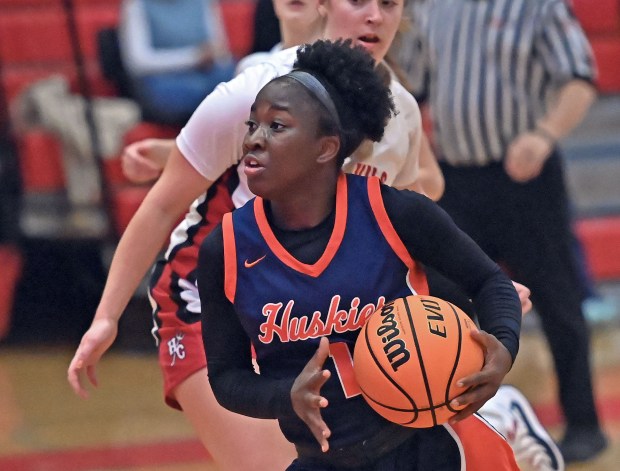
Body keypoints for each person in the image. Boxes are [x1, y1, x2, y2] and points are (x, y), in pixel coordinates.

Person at [68, 0, 433, 468]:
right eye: (358, 0)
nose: (375, 16)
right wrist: (107, 316)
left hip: (309, 314)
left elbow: (411, 220)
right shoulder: (253, 92)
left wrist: (472, 284)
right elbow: (162, 205)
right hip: (206, 305)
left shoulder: (399, 110)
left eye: (388, 4)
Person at [198, 38, 522, 470]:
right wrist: (284, 396)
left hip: (430, 449)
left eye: (276, 126)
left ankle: (510, 413)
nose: (254, 140)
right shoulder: (225, 249)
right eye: (252, 125)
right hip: (324, 460)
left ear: (326, 148)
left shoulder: (394, 212)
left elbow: (489, 282)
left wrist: (503, 345)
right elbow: (225, 377)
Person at [394, 0, 607, 463]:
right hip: (457, 181)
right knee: (449, 303)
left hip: (525, 178)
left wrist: (545, 134)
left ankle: (584, 422)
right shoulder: (434, 9)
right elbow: (413, 83)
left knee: (557, 300)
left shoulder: (536, 5)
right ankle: (462, 421)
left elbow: (579, 78)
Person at [118, 0, 236, 126]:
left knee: (238, 79)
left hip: (206, 74)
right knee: (198, 92)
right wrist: (193, 58)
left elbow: (220, 51)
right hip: (163, 79)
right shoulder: (137, 5)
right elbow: (138, 62)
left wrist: (214, 56)